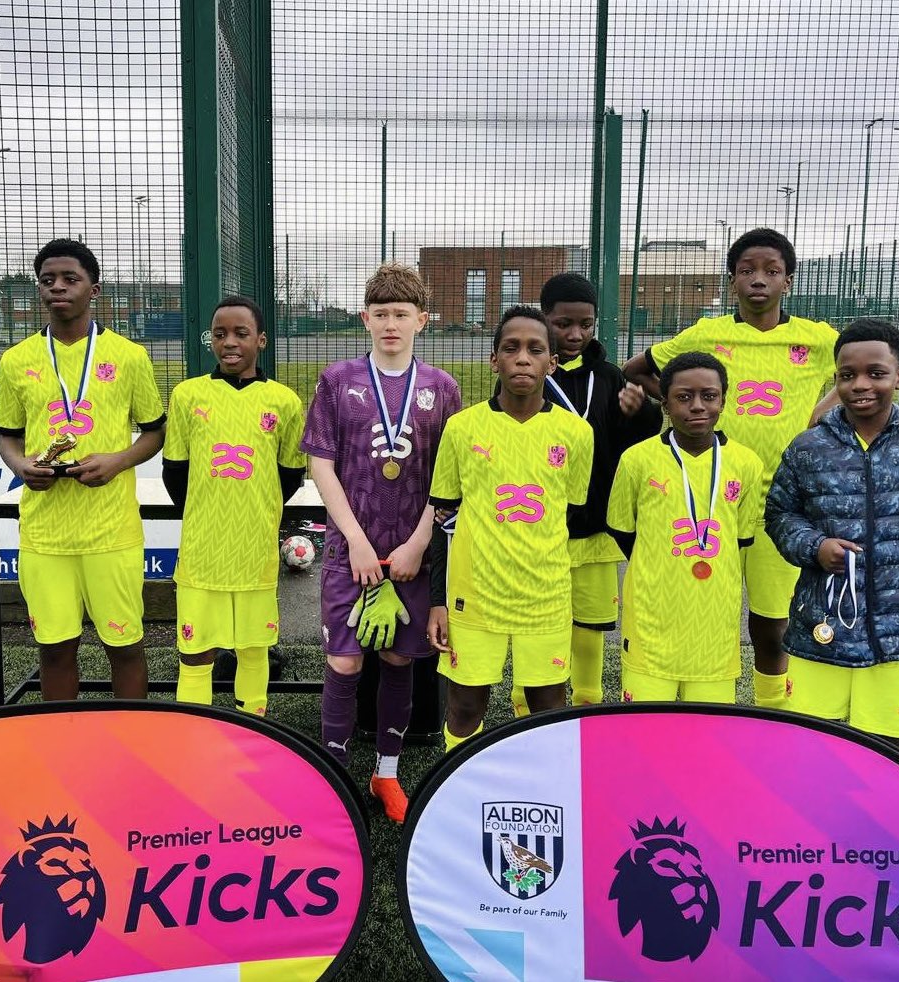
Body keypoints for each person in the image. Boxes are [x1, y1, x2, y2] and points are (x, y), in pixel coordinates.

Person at [623, 228, 838, 710]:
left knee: (770, 622)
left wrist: (820, 414)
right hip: (707, 502)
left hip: (781, 505)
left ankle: (772, 714)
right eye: (747, 271)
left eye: (771, 271)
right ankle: (675, 701)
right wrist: (675, 403)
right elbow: (635, 368)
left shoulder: (817, 339)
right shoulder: (707, 334)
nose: (758, 280)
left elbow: (862, 368)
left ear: (788, 281)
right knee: (695, 608)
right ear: (732, 279)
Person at [765, 318, 899, 752]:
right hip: (818, 630)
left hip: (894, 638)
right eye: (846, 374)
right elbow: (780, 515)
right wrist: (814, 546)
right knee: (811, 752)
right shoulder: (808, 448)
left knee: (892, 757)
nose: (860, 384)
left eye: (875, 373)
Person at [302, 262, 460, 822]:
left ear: (422, 320)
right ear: (364, 319)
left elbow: (449, 475)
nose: (391, 324)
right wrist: (355, 540)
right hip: (354, 549)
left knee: (397, 659)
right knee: (344, 663)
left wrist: (419, 542)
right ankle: (336, 775)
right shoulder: (336, 380)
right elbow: (321, 466)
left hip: (412, 553)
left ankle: (386, 774)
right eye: (381, 314)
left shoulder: (442, 388)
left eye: (402, 314)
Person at [0, 238, 166, 699]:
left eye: (71, 279)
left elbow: (154, 432)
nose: (58, 288)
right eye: (48, 280)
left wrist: (118, 460)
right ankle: (62, 750)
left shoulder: (130, 357)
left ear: (94, 289)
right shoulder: (16, 361)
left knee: (124, 645)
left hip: (111, 531)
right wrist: (21, 465)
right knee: (54, 648)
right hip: (45, 534)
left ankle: (131, 745)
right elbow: (7, 436)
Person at [427, 305, 593, 751]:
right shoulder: (461, 429)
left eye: (535, 349)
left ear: (551, 363)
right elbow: (442, 519)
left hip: (544, 595)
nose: (523, 358)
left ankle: (546, 794)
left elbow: (570, 512)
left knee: (549, 707)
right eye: (511, 348)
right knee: (465, 706)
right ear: (493, 359)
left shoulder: (576, 434)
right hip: (474, 596)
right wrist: (438, 602)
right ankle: (458, 791)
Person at [508, 273, 661, 716]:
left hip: (596, 527)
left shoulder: (610, 377)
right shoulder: (529, 376)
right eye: (563, 324)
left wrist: (641, 414)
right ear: (544, 320)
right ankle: (524, 708)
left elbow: (635, 444)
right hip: (540, 528)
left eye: (586, 324)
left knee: (590, 624)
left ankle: (588, 703)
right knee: (537, 623)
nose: (575, 334)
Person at [162, 296, 305, 717]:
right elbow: (176, 472)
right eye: (220, 333)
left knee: (253, 647)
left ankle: (251, 728)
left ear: (260, 340)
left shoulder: (283, 402)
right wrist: (210, 509)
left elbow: (289, 475)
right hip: (202, 551)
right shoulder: (188, 395)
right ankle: (194, 732)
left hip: (254, 549)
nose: (229, 342)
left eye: (241, 333)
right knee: (195, 650)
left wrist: (254, 507)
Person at [606, 352, 763, 703]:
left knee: (709, 734)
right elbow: (622, 530)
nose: (697, 406)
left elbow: (740, 537)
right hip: (651, 618)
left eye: (708, 396)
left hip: (714, 623)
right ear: (664, 403)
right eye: (683, 397)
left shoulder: (746, 464)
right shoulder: (636, 460)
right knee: (645, 731)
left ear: (724, 399)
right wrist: (658, 559)